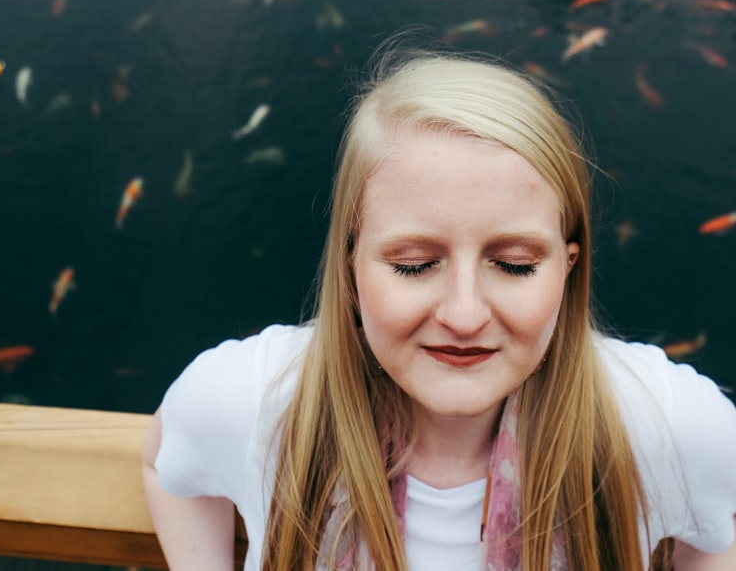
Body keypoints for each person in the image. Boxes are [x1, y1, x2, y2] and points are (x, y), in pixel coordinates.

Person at [141, 41, 736, 571]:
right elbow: (163, 461)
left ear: (568, 267)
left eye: (514, 265)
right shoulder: (253, 401)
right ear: (350, 265)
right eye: (414, 265)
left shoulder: (665, 427)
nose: (464, 314)